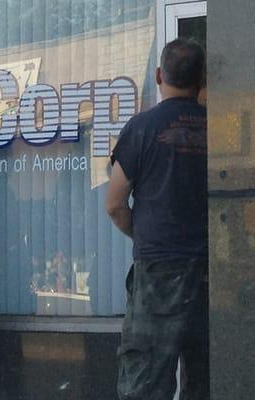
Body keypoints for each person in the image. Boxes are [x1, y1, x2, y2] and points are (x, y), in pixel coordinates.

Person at [106, 38, 208, 400]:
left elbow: (115, 203)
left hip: (158, 272)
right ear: (203, 78)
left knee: (146, 380)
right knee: (208, 375)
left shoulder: (142, 128)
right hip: (215, 272)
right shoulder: (224, 128)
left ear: (159, 75)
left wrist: (142, 235)